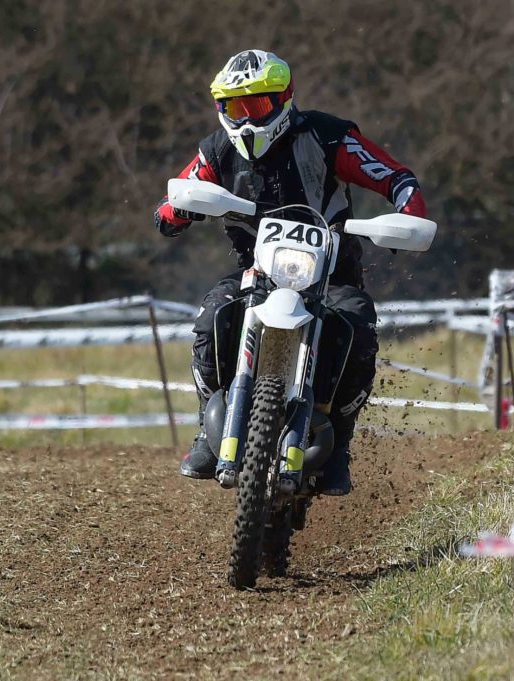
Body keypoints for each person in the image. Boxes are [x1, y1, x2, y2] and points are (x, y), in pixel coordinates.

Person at [154, 49, 428, 496]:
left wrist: (408, 212)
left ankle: (339, 444)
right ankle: (208, 427)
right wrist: (175, 210)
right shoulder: (217, 149)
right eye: (234, 108)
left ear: (284, 99)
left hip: (331, 277)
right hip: (257, 274)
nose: (246, 120)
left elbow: (395, 176)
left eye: (256, 105)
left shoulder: (328, 136)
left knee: (357, 325)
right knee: (212, 315)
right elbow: (177, 195)